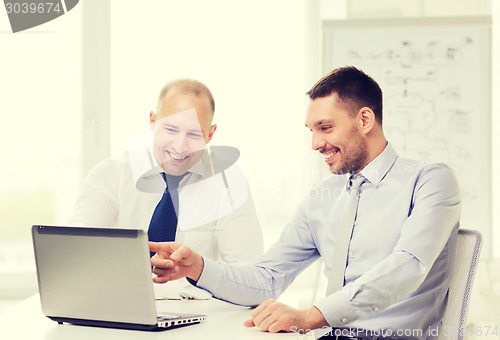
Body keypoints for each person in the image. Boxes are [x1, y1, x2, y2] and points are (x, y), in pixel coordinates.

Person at [149, 66, 461, 339]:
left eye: (325, 128)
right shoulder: (320, 199)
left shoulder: (431, 181)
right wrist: (198, 267)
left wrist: (311, 316)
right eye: (312, 131)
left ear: (365, 119)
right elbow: (266, 279)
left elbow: (408, 266)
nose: (315, 144)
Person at [69, 78, 263, 298]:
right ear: (153, 121)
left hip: (199, 321)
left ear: (210, 134)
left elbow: (251, 279)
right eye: (171, 129)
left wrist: (198, 269)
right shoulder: (111, 175)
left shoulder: (228, 184)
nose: (180, 147)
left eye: (194, 134)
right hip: (120, 308)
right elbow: (76, 248)